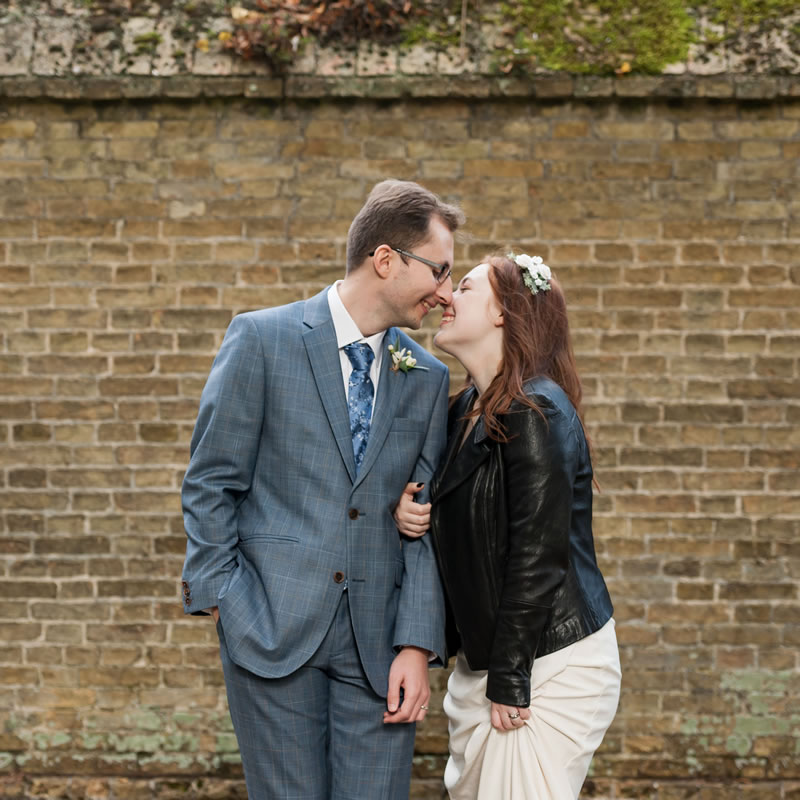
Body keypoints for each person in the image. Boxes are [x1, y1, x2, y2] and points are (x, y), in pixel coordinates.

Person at [181, 179, 465, 800]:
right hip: (270, 627)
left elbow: (423, 516)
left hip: (380, 646)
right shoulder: (262, 339)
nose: (447, 293)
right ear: (386, 259)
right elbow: (211, 479)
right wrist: (224, 597)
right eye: (440, 271)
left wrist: (417, 644)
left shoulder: (425, 378)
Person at [394, 252, 621, 800]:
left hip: (548, 660)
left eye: (466, 287)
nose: (447, 295)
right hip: (492, 660)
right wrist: (407, 510)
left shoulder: (536, 411)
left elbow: (537, 556)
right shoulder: (462, 410)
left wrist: (511, 680)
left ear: (504, 313)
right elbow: (462, 532)